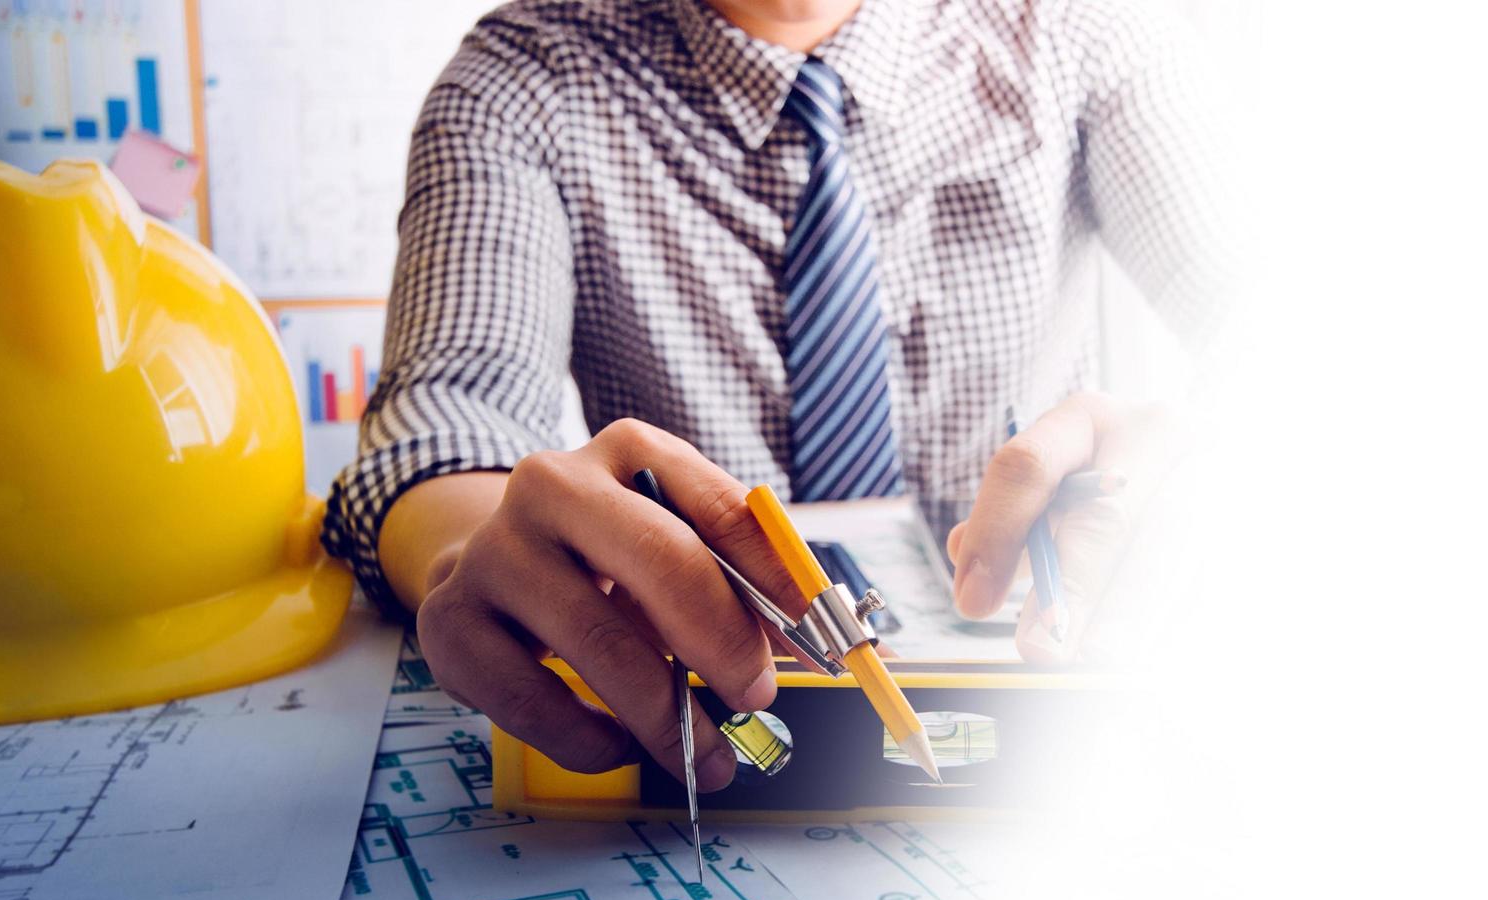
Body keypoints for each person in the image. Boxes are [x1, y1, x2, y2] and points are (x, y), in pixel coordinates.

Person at [322, 0, 1225, 793]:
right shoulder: (523, 78)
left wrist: (1220, 449)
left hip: (1041, 699)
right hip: (722, 717)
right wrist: (480, 553)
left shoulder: (1086, 32)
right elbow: (440, 431)